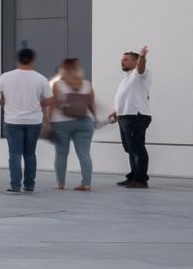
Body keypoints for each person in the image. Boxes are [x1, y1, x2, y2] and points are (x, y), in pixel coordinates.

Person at [0, 48, 50, 193]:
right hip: (34, 121)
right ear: (33, 60)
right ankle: (29, 185)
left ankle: (15, 186)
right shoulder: (40, 78)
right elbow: (50, 100)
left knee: (15, 154)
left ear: (18, 60)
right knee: (30, 154)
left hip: (12, 121)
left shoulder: (6, 76)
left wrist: (3, 103)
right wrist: (38, 105)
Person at [48, 56, 98, 190]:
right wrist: (95, 119)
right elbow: (91, 105)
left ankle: (60, 183)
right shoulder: (87, 84)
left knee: (61, 154)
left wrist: (48, 120)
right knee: (84, 153)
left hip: (62, 123)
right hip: (85, 122)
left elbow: (54, 104)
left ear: (63, 69)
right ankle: (86, 183)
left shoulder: (58, 84)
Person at [106, 44, 152, 188]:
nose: (122, 62)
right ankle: (133, 176)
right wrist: (117, 112)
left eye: (126, 59)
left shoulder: (140, 74)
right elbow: (129, 97)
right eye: (122, 59)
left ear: (135, 61)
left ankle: (141, 180)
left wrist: (143, 57)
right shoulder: (129, 78)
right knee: (130, 148)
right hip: (126, 116)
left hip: (135, 116)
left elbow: (141, 68)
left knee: (137, 148)